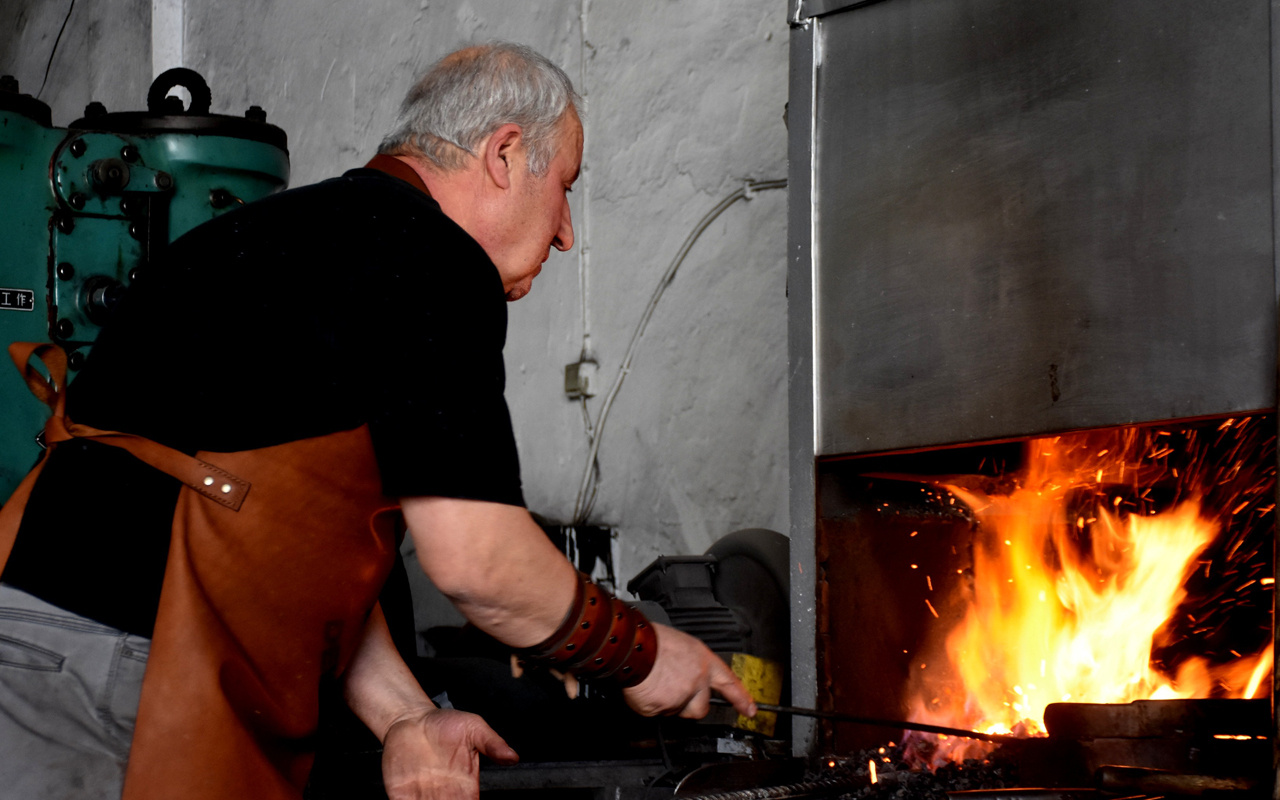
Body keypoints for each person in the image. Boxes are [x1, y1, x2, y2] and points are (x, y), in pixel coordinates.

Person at [0, 42, 755, 800]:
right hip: (102, 677)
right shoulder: (428, 257)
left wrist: (405, 719)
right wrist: (645, 656)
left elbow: (289, 547)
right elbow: (480, 565)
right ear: (504, 153)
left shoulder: (268, 238)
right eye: (564, 188)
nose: (564, 231)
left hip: (41, 646)